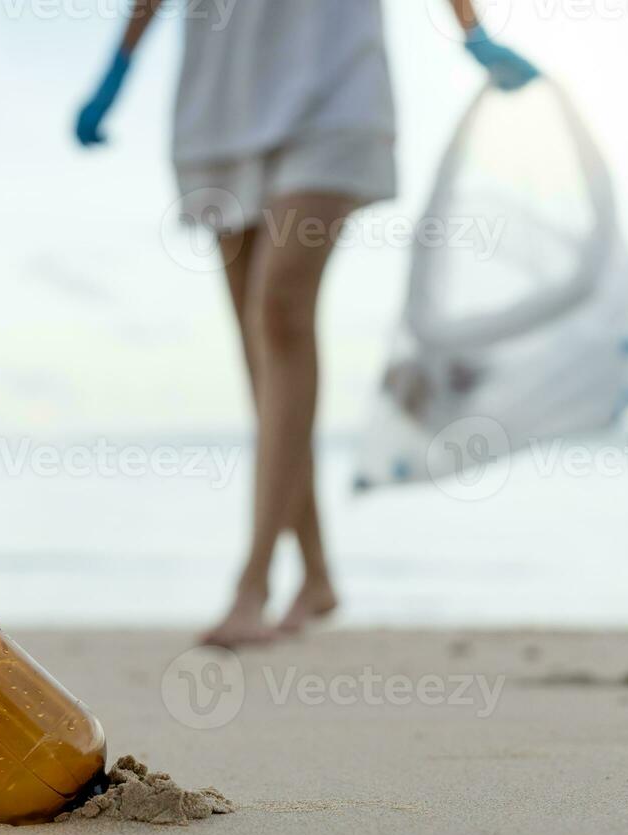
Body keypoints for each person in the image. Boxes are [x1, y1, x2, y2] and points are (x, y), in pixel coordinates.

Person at [75, 0, 538, 647]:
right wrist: (117, 68)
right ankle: (317, 577)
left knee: (281, 310)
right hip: (223, 94)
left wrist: (473, 32)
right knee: (261, 355)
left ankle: (252, 586)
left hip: (334, 86)